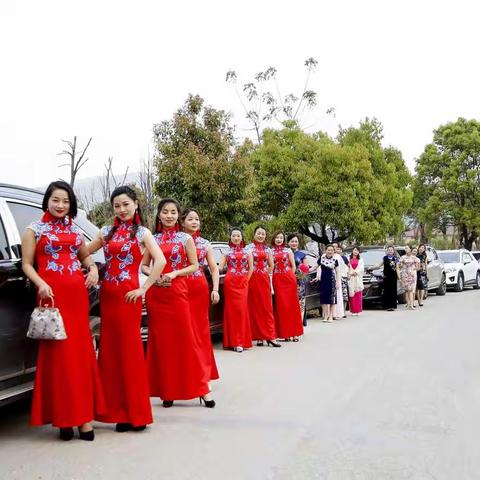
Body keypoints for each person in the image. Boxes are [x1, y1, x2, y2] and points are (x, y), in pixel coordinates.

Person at [21, 181, 105, 441]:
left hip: (77, 297)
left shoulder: (74, 229)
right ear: (47, 200)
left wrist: (91, 268)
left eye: (65, 201)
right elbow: (27, 265)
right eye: (56, 200)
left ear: (71, 205)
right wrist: (41, 283)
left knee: (80, 355)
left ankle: (83, 419)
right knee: (59, 358)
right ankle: (64, 419)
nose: (60, 205)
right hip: (52, 298)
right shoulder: (33, 230)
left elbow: (85, 256)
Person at [87, 186, 166, 432]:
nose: (121, 210)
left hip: (129, 297)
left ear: (135, 204)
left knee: (130, 352)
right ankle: (118, 413)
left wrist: (144, 289)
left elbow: (160, 260)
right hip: (108, 296)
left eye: (125, 205)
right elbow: (82, 252)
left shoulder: (142, 232)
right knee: (110, 354)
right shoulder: (105, 232)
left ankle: (136, 414)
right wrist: (90, 267)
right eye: (116, 206)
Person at [142, 198, 214, 408]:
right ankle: (167, 390)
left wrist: (173, 273)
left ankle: (202, 389)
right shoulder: (151, 238)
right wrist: (157, 274)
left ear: (178, 216)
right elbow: (144, 266)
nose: (169, 216)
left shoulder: (185, 238)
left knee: (187, 340)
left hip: (177, 292)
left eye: (173, 212)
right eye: (165, 212)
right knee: (163, 344)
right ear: (159, 215)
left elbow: (194, 266)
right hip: (157, 294)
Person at [181, 208, 220, 382]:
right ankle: (185, 372)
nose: (195, 222)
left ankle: (203, 374)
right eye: (190, 219)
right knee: (183, 330)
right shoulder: (176, 241)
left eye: (197, 219)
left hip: (198, 288)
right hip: (179, 287)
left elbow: (213, 268)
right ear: (182, 222)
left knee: (200, 330)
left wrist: (215, 289)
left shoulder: (205, 244)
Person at [245, 227, 281, 347]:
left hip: (263, 279)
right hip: (251, 280)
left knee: (266, 307)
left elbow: (271, 265)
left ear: (265, 236)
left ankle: (270, 336)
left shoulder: (268, 249)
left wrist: (263, 272)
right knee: (254, 307)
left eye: (263, 234)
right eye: (258, 233)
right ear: (254, 234)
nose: (260, 236)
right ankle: (258, 337)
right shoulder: (248, 248)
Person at [219, 228, 253, 352]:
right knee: (232, 311)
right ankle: (234, 342)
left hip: (243, 284)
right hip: (230, 283)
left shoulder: (247, 252)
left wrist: (246, 280)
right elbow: (220, 267)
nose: (236, 238)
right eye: (234, 236)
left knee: (241, 310)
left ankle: (242, 341)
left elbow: (251, 268)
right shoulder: (226, 252)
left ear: (241, 237)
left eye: (238, 236)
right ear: (230, 237)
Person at [271, 231, 304, 342]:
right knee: (281, 306)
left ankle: (295, 333)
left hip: (289, 279)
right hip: (277, 280)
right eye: (277, 238)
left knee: (292, 306)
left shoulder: (288, 250)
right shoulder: (270, 252)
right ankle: (285, 333)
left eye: (281, 238)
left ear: (283, 240)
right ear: (274, 239)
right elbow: (270, 267)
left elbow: (293, 266)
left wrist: (290, 276)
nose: (279, 240)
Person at [287, 233, 309, 327]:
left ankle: (299, 325)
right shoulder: (285, 253)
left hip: (299, 282)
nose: (294, 243)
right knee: (289, 305)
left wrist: (301, 275)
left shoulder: (302, 254)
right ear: (288, 242)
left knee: (300, 304)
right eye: (292, 241)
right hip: (287, 281)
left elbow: (306, 268)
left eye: (296, 241)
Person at [315, 244, 340, 323]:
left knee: (332, 299)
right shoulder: (321, 259)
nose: (330, 252)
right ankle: (326, 315)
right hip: (323, 281)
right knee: (324, 299)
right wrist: (306, 270)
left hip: (332, 281)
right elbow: (315, 267)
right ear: (325, 250)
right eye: (328, 250)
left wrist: (338, 282)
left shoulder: (335, 260)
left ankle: (331, 316)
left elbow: (338, 272)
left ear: (334, 251)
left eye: (331, 250)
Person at [399, 245, 420, 310]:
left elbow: (417, 267)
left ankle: (411, 304)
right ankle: (408, 303)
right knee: (406, 290)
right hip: (405, 274)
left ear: (410, 249)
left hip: (412, 275)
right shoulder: (402, 257)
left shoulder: (414, 258)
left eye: (407, 248)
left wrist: (412, 269)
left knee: (411, 290)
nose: (406, 249)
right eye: (405, 248)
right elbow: (400, 265)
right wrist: (401, 265)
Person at [348, 247, 364, 316]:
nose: (356, 251)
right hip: (351, 278)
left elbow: (361, 268)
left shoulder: (360, 260)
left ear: (359, 252)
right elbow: (347, 267)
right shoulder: (349, 259)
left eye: (357, 250)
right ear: (352, 251)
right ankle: (353, 310)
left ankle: (358, 310)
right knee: (351, 294)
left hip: (357, 278)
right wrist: (350, 273)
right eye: (354, 250)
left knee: (358, 294)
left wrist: (356, 272)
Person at [335, 244, 350, 318]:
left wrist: (348, 274)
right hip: (335, 278)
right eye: (335, 248)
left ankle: (343, 311)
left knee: (344, 295)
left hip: (342, 277)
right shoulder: (330, 256)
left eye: (338, 248)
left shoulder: (343, 258)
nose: (337, 249)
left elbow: (348, 266)